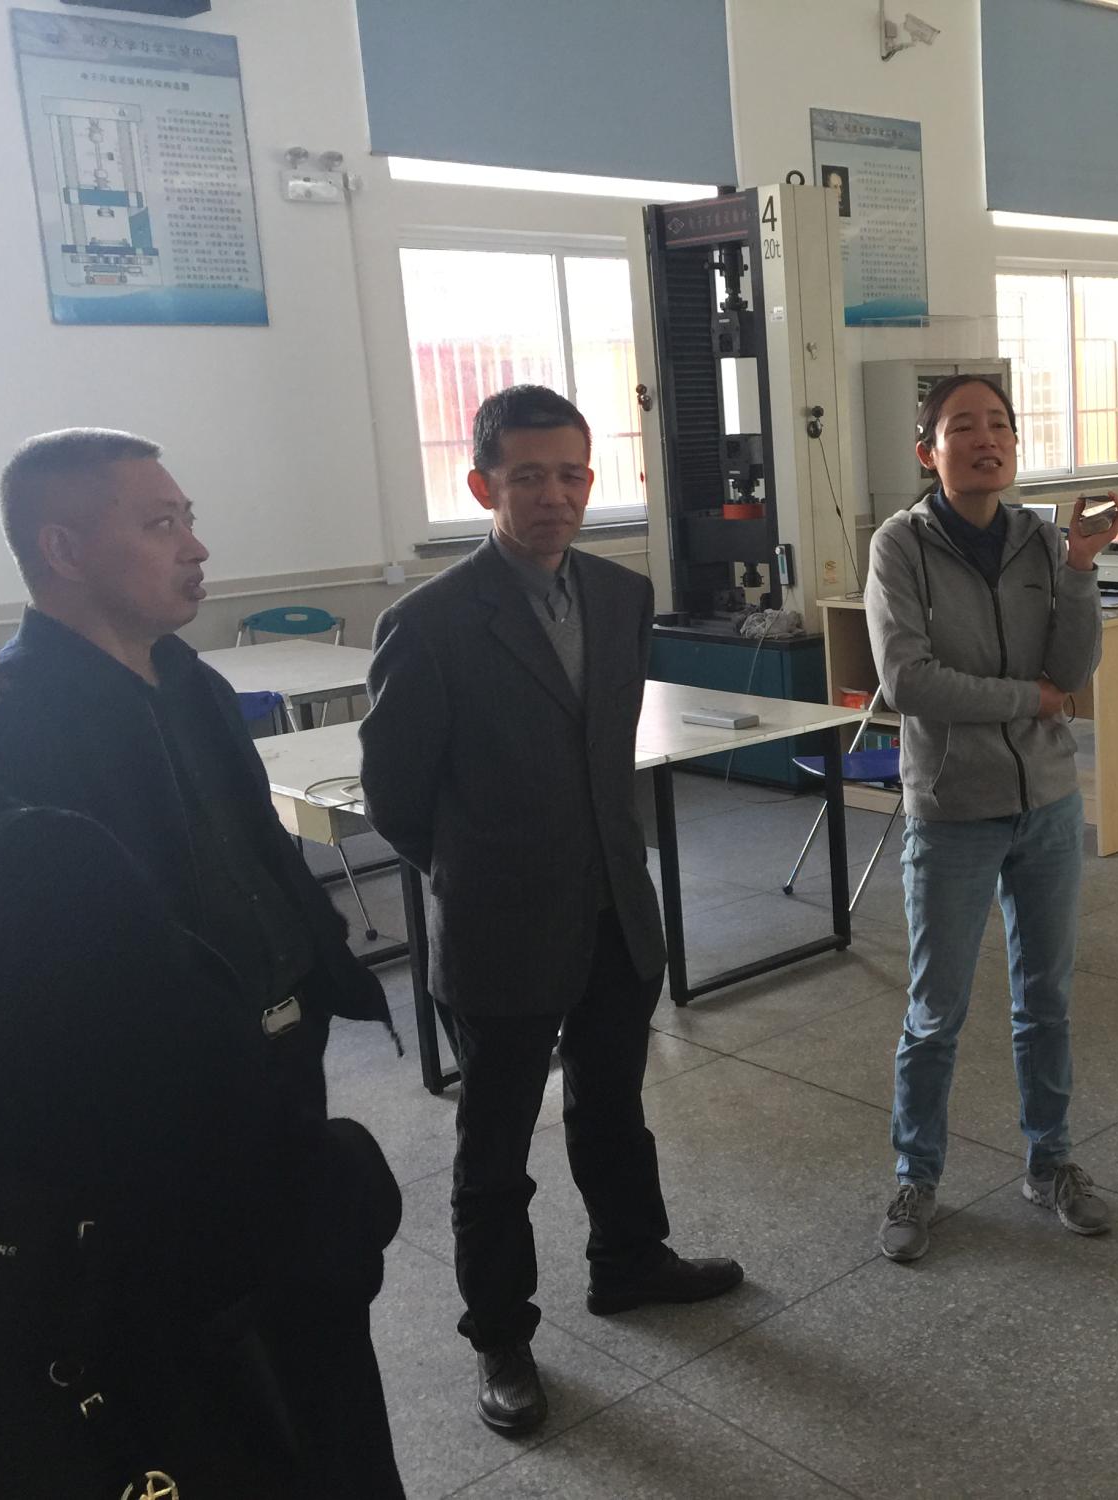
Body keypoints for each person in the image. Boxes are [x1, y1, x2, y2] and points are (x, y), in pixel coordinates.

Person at [0, 430, 408, 1495]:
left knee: (325, 1339)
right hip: (164, 1118)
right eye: (159, 523)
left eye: (188, 518)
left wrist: (315, 978)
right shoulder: (22, 729)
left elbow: (255, 856)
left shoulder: (192, 682)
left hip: (280, 1061)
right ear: (62, 549)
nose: (196, 545)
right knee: (223, 1378)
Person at [359, 384, 743, 1437]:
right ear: (482, 484)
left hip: (614, 906)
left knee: (612, 1106)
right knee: (494, 1149)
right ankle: (501, 1336)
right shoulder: (429, 622)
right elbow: (395, 795)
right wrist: (479, 869)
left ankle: (630, 1260)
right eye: (527, 476)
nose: (553, 496)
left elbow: (601, 752)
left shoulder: (621, 596)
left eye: (571, 475)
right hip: (498, 925)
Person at [863, 373, 1118, 1263]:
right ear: (927, 451)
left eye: (1001, 425)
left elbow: (1073, 671)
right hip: (953, 810)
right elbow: (908, 681)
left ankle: (1050, 1163)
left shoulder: (1042, 540)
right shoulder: (899, 546)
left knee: (1045, 1000)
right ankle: (916, 1176)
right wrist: (1027, 698)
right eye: (964, 427)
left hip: (1047, 804)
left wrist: (1081, 568)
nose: (988, 439)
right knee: (935, 1010)